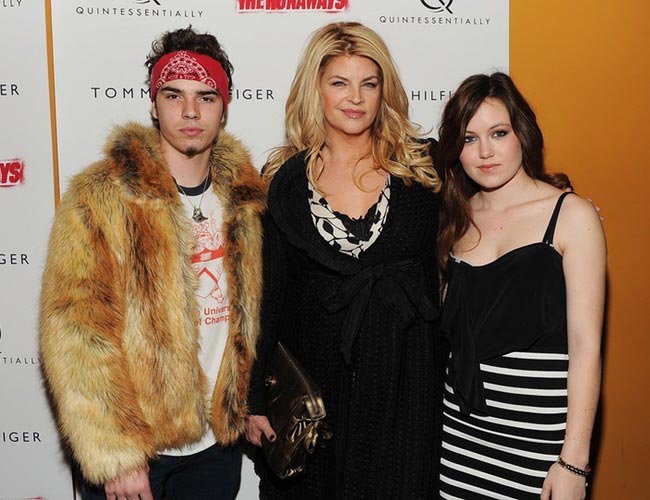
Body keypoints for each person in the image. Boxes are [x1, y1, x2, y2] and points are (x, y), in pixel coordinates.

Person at [39, 27, 265, 500]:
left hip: (216, 449)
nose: (189, 111)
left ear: (224, 107)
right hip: (137, 454)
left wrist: (251, 403)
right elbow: (75, 331)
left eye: (206, 96)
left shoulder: (246, 199)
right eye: (173, 95)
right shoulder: (101, 196)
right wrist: (115, 452)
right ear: (153, 103)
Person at [245, 21, 445, 499]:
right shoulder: (283, 182)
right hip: (316, 393)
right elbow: (267, 297)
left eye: (368, 84)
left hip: (405, 384)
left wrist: (555, 209)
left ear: (384, 91)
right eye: (339, 82)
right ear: (316, 89)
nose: (355, 97)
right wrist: (253, 399)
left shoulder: (424, 167)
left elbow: (492, 209)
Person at [436, 72, 606, 499]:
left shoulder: (571, 215)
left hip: (539, 449)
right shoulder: (454, 219)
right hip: (458, 442)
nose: (486, 152)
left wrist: (574, 462)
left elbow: (586, 345)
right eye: (470, 139)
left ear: (522, 134)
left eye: (498, 133)